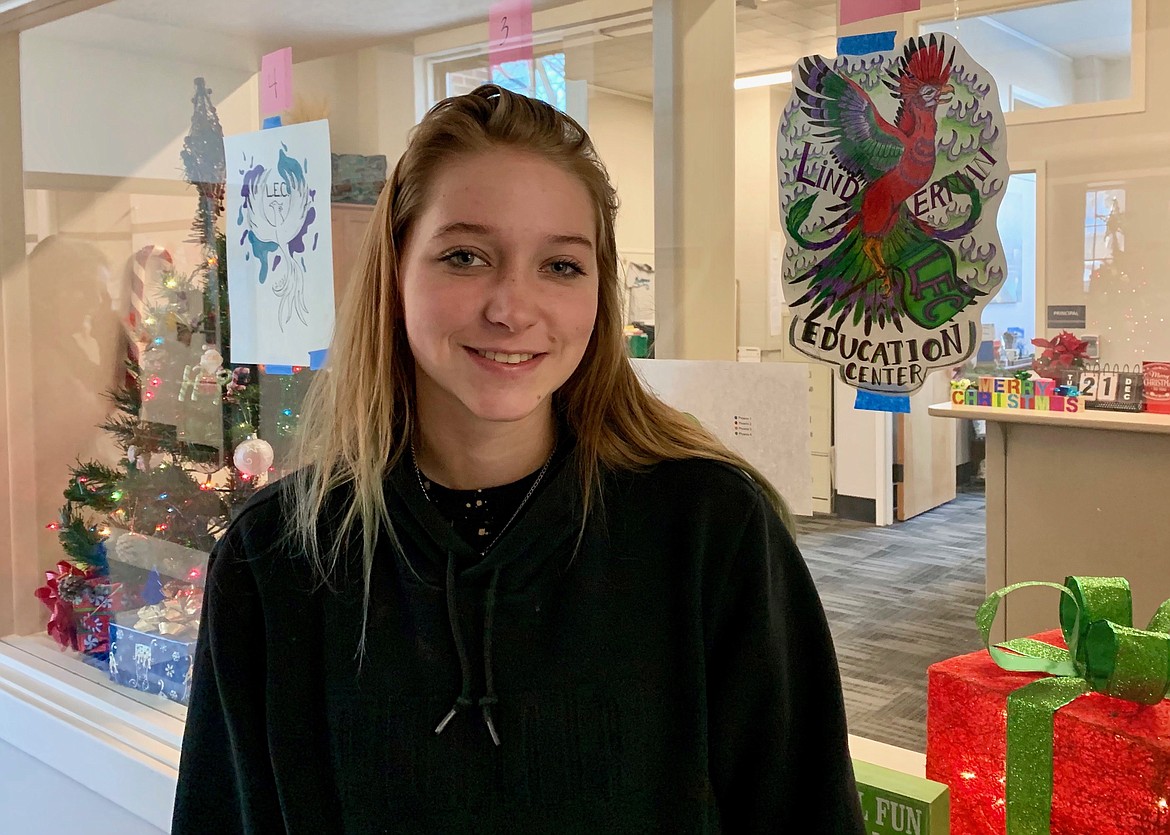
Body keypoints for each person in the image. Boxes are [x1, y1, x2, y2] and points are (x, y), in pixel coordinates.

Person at [173, 84, 865, 834]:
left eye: (561, 266)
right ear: (397, 270)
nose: (512, 307)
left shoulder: (711, 530)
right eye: (465, 256)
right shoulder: (276, 558)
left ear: (600, 291)